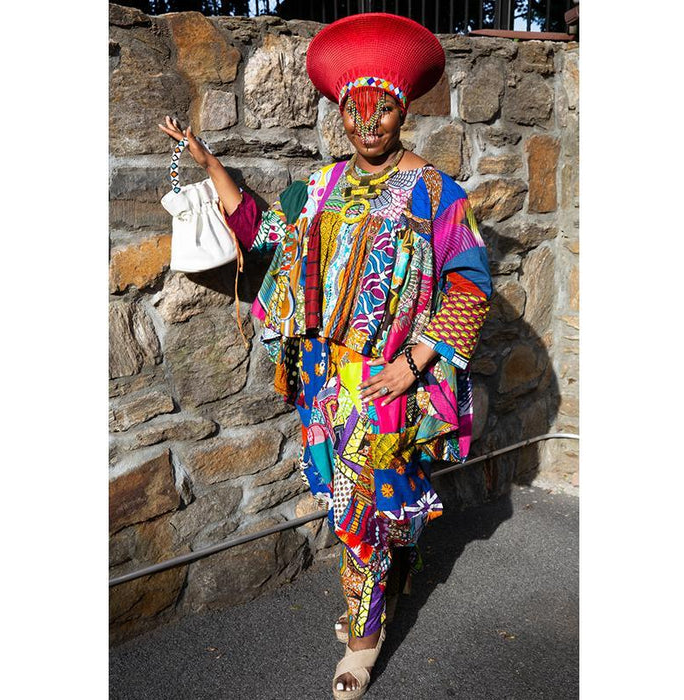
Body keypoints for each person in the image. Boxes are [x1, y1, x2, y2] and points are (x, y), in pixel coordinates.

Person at [158, 12, 492, 699]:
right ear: (341, 114)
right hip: (325, 379)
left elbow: (471, 284)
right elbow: (262, 236)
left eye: (385, 108)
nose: (370, 123)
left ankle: (362, 643)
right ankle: (387, 590)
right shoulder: (319, 187)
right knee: (370, 506)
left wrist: (416, 362)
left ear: (403, 109)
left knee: (360, 512)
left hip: (388, 383)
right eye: (356, 109)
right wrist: (210, 164)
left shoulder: (437, 193)